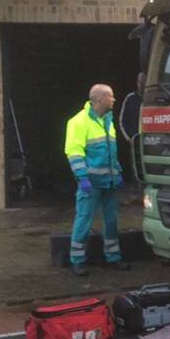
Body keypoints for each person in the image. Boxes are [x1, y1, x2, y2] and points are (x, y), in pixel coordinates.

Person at [65, 84, 128, 277]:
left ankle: (113, 257)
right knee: (84, 220)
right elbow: (73, 152)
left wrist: (117, 172)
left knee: (111, 221)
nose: (114, 100)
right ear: (100, 99)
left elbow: (111, 152)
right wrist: (83, 178)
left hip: (108, 181)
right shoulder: (78, 121)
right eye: (111, 97)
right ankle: (77, 261)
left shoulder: (108, 121)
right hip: (90, 183)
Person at [117, 72, 145, 201]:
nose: (142, 85)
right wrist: (129, 137)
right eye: (140, 82)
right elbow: (122, 119)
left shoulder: (153, 98)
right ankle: (135, 193)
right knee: (135, 167)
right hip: (134, 140)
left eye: (144, 82)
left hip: (151, 140)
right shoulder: (131, 98)